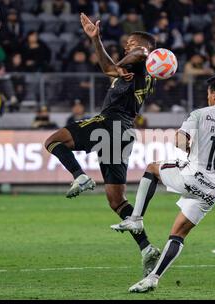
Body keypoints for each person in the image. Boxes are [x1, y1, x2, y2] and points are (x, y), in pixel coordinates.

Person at [111, 75, 215, 292]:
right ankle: (153, 278)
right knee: (178, 234)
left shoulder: (200, 114)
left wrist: (186, 146)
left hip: (192, 177)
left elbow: (180, 139)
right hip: (213, 189)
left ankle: (135, 218)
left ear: (212, 94)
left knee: (152, 168)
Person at [44, 13, 160, 276]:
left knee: (53, 141)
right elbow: (109, 67)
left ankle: (80, 176)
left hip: (109, 123)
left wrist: (124, 60)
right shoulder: (132, 70)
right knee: (116, 200)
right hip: (123, 131)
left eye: (130, 42)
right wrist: (96, 39)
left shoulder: (140, 60)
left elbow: (139, 53)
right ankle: (147, 249)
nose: (127, 45)